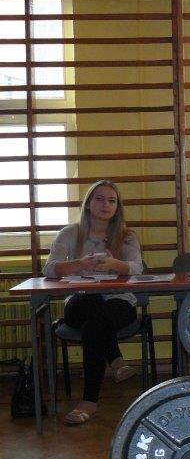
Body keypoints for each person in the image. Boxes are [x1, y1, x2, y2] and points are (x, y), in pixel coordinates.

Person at [42, 180, 144, 425]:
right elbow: (49, 269)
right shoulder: (70, 233)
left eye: (111, 200)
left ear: (117, 207)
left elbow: (137, 268)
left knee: (95, 325)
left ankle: (89, 401)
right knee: (92, 306)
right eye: (99, 198)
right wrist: (79, 263)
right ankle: (116, 360)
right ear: (88, 203)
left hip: (118, 302)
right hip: (80, 302)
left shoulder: (127, 236)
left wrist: (115, 264)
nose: (105, 204)